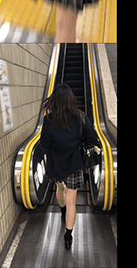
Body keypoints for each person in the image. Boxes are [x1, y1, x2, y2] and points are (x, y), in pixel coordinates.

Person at [40, 83, 101, 250]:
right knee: (72, 202)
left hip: (56, 164)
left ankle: (62, 210)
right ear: (71, 99)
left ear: (54, 100)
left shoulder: (49, 119)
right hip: (74, 164)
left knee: (60, 190)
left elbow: (44, 144)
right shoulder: (81, 116)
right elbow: (92, 139)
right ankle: (68, 236)